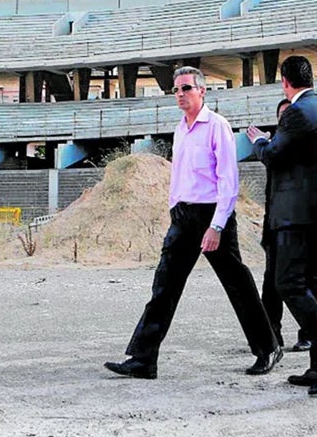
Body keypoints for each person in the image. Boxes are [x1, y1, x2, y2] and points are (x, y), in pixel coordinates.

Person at [105, 66, 281, 379]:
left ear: (202, 91)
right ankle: (144, 359)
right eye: (176, 90)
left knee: (237, 284)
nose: (180, 95)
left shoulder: (217, 127)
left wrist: (216, 226)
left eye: (186, 88)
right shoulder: (180, 129)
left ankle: (268, 348)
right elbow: (179, 174)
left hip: (212, 214)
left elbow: (228, 180)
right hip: (183, 216)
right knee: (164, 286)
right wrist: (174, 207)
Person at [246, 55, 317, 396]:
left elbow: (275, 154)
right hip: (315, 214)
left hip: (295, 216)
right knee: (312, 284)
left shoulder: (295, 112)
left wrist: (259, 141)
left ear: (284, 81)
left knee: (288, 283)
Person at [259, 98, 316, 353]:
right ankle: (271, 335)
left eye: (289, 115)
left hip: (300, 226)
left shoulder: (307, 146)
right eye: (281, 116)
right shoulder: (275, 147)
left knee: (304, 282)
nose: (285, 120)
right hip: (274, 226)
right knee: (271, 283)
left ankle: (310, 334)